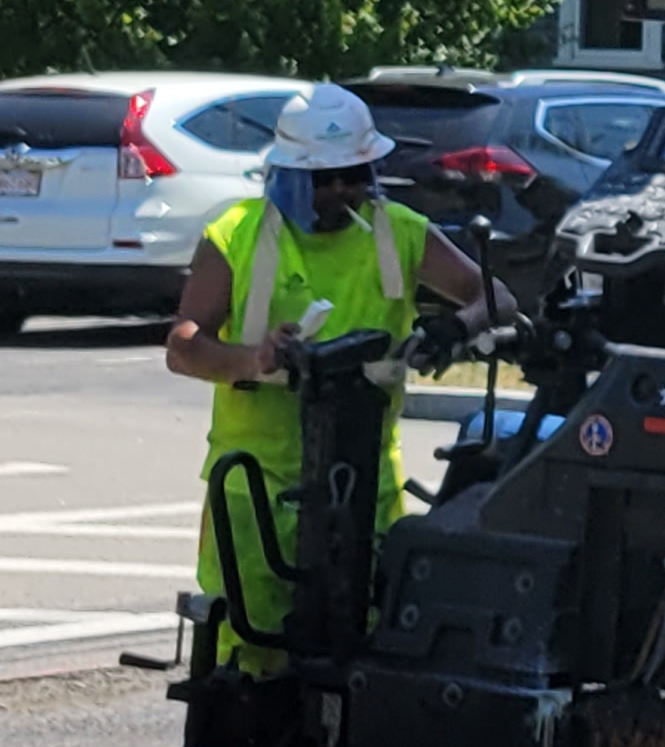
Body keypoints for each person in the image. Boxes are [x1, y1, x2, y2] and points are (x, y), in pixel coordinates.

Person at [164, 83, 488, 689]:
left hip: (361, 484)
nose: (340, 191)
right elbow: (183, 346)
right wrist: (255, 358)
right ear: (287, 174)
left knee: (361, 645)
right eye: (322, 179)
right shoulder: (236, 234)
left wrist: (455, 328)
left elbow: (492, 297)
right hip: (255, 485)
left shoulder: (398, 233)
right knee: (250, 656)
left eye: (353, 176)